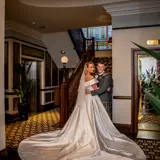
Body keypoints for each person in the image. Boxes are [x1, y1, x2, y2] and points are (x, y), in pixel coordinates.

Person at [18, 62, 146, 160]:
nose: (92, 69)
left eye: (93, 67)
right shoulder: (90, 77)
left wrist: (103, 89)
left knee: (88, 118)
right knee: (91, 118)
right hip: (91, 101)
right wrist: (101, 89)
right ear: (86, 68)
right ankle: (90, 138)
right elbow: (95, 89)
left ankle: (87, 134)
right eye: (91, 67)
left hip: (89, 100)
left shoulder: (86, 76)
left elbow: (90, 90)